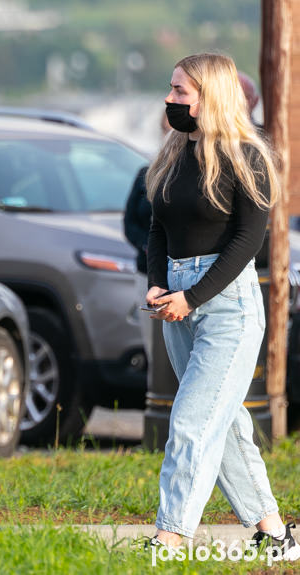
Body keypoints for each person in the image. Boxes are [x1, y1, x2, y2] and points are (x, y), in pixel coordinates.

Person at [145, 53, 298, 561]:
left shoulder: (246, 154)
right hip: (177, 302)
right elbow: (157, 228)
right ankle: (276, 534)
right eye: (170, 89)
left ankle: (170, 538)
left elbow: (246, 242)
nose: (170, 100)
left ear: (210, 96)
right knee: (225, 423)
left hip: (226, 306)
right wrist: (157, 284)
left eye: (180, 92)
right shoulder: (174, 152)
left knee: (191, 422)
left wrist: (192, 297)